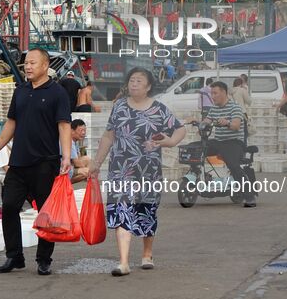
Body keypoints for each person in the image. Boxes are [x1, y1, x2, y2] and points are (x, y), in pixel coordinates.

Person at [90, 67, 186, 277]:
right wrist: (96, 162)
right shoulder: (119, 107)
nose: (134, 84)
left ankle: (147, 254)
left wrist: (169, 142)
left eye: (139, 81)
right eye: (132, 80)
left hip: (148, 171)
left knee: (146, 211)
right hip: (120, 169)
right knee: (121, 209)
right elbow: (108, 136)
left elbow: (180, 129)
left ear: (148, 86)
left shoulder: (159, 109)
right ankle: (123, 262)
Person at [0, 48, 72, 276]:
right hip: (19, 163)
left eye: (33, 63)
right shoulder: (21, 91)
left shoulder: (57, 92)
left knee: (45, 213)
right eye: (26, 64)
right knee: (10, 206)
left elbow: (64, 126)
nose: (28, 67)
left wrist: (66, 157)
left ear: (45, 65)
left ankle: (44, 259)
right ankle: (14, 256)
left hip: (46, 162)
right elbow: (10, 124)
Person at [204, 81, 257, 207]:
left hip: (234, 143)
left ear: (224, 92)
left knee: (233, 166)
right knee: (197, 149)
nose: (213, 96)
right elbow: (207, 120)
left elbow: (236, 125)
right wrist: (198, 122)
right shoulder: (214, 108)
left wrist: (227, 123)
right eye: (212, 93)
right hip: (218, 142)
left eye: (215, 93)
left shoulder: (235, 107)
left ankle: (249, 197)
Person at [69, 119, 89, 184]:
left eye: (84, 130)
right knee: (89, 171)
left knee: (87, 160)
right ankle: (65, 183)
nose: (83, 133)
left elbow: (79, 158)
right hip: (65, 170)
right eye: (81, 130)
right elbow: (77, 163)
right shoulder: (70, 141)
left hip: (71, 167)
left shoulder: (75, 141)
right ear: (72, 131)